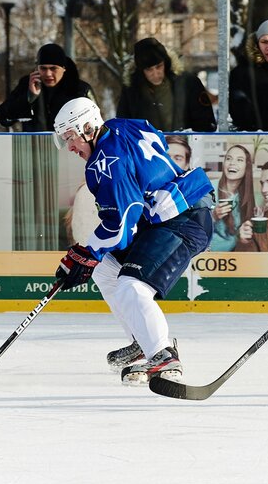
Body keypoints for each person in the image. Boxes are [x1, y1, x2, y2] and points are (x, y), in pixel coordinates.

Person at [52, 97, 214, 384]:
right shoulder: (121, 126)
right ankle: (144, 343)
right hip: (165, 214)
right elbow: (156, 141)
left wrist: (86, 252)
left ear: (88, 128)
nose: (71, 147)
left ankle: (164, 356)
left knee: (132, 286)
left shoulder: (105, 163)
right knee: (105, 271)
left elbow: (123, 222)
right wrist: (91, 257)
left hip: (184, 219)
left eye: (72, 138)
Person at [116, 37, 216, 132]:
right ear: (141, 70)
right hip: (145, 147)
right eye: (149, 69)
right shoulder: (131, 90)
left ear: (166, 63)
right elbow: (122, 125)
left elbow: (206, 123)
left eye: (159, 66)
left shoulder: (189, 83)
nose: (155, 73)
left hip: (183, 146)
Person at [0, 43, 96, 131]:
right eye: (43, 68)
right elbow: (4, 118)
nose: (48, 74)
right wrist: (29, 98)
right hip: (35, 146)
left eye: (53, 68)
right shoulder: (27, 84)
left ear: (64, 68)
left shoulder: (80, 90)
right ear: (37, 68)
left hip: (71, 148)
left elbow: (96, 125)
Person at [210, 144, 255, 252]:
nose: (232, 163)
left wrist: (244, 235)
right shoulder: (209, 189)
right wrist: (213, 217)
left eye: (239, 160)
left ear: (247, 167)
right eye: (228, 158)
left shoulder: (248, 197)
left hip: (234, 257)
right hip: (207, 256)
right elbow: (193, 227)